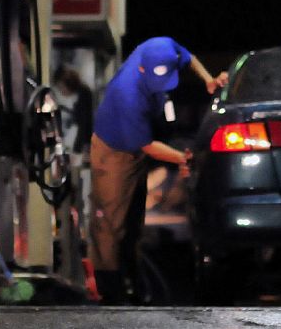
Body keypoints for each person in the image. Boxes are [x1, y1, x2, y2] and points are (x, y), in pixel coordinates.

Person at [90, 36, 226, 304]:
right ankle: (110, 293)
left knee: (133, 221)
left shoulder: (162, 47)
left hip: (139, 143)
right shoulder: (126, 95)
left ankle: (134, 284)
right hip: (113, 150)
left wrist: (208, 79)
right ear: (142, 70)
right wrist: (184, 159)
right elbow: (147, 146)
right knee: (111, 223)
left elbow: (188, 56)